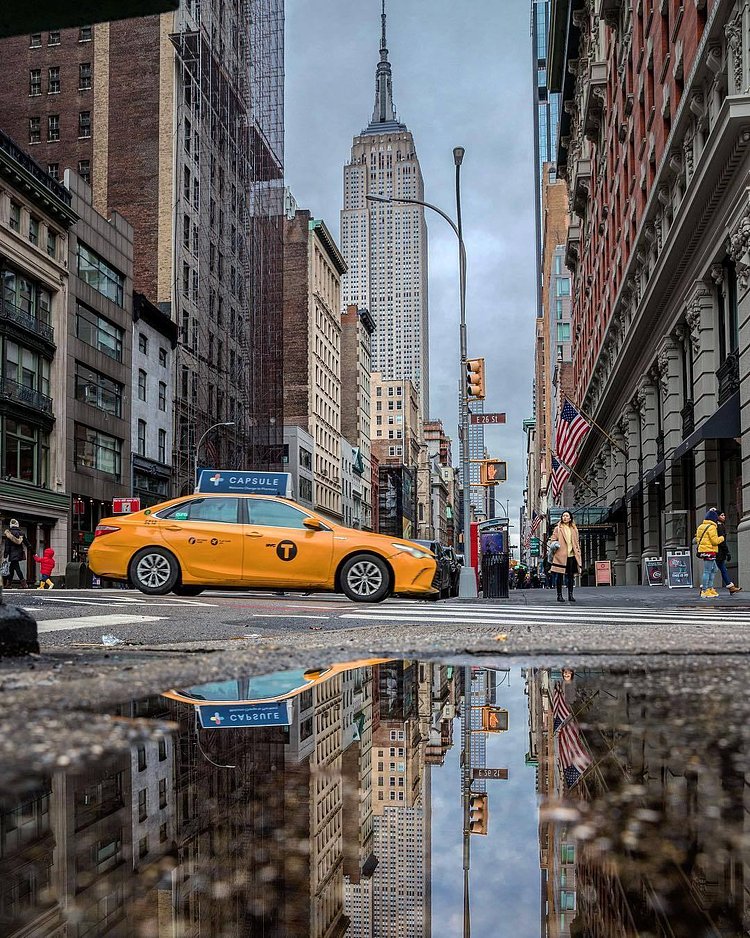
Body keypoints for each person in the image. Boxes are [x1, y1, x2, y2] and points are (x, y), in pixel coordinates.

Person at [549, 510, 582, 603]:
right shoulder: (558, 528)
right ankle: (559, 595)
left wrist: (578, 552)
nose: (565, 517)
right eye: (563, 516)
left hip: (572, 555)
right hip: (560, 555)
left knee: (570, 576)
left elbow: (576, 542)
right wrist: (555, 544)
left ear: (570, 518)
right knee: (559, 576)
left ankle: (570, 595)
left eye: (567, 516)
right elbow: (552, 540)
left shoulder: (574, 529)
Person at [695, 508, 724, 599]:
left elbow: (697, 539)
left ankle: (710, 588)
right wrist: (722, 538)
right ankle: (705, 590)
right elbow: (715, 541)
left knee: (714, 569)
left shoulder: (700, 527)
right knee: (707, 570)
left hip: (704, 551)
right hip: (710, 551)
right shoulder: (712, 527)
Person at [716, 511, 742, 595]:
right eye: (722, 515)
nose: (724, 516)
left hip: (719, 552)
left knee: (722, 569)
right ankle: (704, 588)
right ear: (717, 516)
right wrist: (727, 552)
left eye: (724, 515)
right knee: (711, 571)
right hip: (718, 552)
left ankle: (731, 587)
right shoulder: (719, 526)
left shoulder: (719, 525)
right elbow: (722, 541)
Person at [3, 519, 32, 589]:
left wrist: (5, 555)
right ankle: (9, 584)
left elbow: (7, 545)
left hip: (12, 553)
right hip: (19, 553)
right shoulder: (21, 533)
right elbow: (27, 543)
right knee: (11, 569)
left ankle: (23, 584)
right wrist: (32, 550)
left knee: (16, 568)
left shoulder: (8, 534)